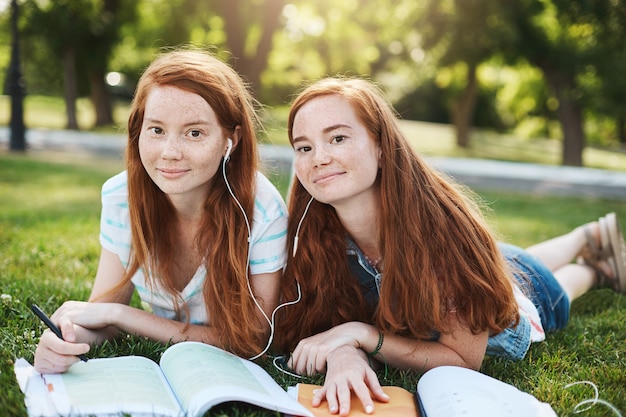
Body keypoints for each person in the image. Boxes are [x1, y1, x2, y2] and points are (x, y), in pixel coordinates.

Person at [274, 77, 626, 416]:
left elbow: (462, 358)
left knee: (554, 288)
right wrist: (343, 353)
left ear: (382, 147)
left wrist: (363, 335)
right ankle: (586, 237)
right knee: (521, 259)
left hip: (517, 303)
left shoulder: (444, 231)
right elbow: (317, 324)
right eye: (304, 147)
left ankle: (593, 267)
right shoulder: (314, 233)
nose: (318, 157)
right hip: (489, 266)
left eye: (337, 138)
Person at [34, 49, 288, 373]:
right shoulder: (121, 198)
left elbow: (254, 342)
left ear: (231, 140)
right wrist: (65, 339)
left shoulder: (263, 212)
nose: (170, 153)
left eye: (194, 133)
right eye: (156, 130)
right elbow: (102, 314)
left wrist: (125, 316)